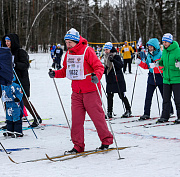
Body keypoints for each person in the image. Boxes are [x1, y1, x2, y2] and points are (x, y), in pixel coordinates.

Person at [48, 28, 113, 153]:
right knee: (76, 120)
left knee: (97, 118)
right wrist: (55, 73)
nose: (68, 45)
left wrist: (96, 77)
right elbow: (65, 71)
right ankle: (78, 146)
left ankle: (106, 140)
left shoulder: (87, 51)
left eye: (70, 43)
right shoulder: (69, 54)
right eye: (66, 42)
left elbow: (99, 67)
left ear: (76, 41)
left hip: (91, 91)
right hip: (76, 92)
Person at [2, 34, 42, 127]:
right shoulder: (5, 52)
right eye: (6, 41)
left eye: (9, 41)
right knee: (7, 100)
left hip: (21, 80)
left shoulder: (21, 52)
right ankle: (10, 120)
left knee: (23, 99)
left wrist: (15, 65)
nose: (7, 43)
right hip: (8, 80)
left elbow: (25, 65)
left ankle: (36, 117)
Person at [136, 38, 173, 120]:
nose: (150, 49)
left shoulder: (161, 54)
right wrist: (140, 63)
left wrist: (156, 66)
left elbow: (163, 66)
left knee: (165, 96)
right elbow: (147, 66)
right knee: (148, 96)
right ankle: (146, 113)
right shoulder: (149, 55)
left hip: (160, 76)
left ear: (155, 47)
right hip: (151, 77)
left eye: (151, 47)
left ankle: (170, 110)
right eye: (149, 47)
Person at [103, 42, 131, 118]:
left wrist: (113, 61)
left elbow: (120, 65)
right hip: (109, 80)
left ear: (111, 49)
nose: (106, 51)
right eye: (105, 50)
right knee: (109, 96)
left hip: (117, 79)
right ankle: (109, 112)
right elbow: (106, 68)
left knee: (122, 95)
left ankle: (128, 110)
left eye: (107, 49)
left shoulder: (116, 56)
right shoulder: (105, 57)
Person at [157, 33, 180, 123]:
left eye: (166, 42)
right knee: (166, 99)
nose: (164, 44)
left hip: (176, 79)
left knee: (178, 99)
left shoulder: (178, 50)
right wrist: (158, 63)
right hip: (166, 79)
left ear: (170, 42)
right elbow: (163, 61)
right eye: (163, 42)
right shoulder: (164, 51)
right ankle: (164, 116)